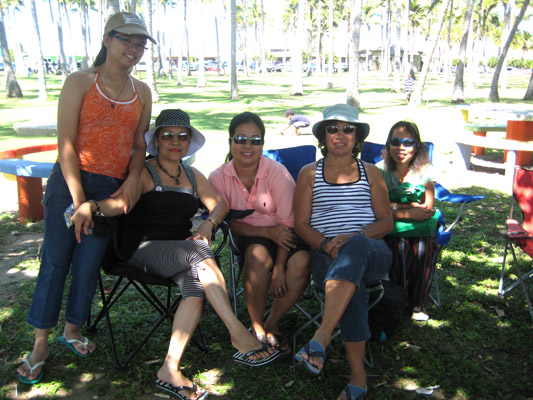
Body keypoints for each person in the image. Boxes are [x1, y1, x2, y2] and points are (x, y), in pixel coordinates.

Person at [70, 109, 280, 399]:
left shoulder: (192, 176)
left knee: (195, 284)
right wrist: (91, 207)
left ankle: (169, 368)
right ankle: (237, 332)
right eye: (167, 135)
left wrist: (208, 223)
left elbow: (219, 204)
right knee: (198, 252)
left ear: (189, 142)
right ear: (156, 140)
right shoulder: (145, 172)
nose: (175, 141)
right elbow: (119, 203)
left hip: (181, 253)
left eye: (183, 136)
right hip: (140, 250)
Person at [16, 12, 154, 385]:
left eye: (141, 43)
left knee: (89, 263)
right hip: (70, 182)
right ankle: (40, 343)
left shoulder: (142, 92)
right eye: (127, 39)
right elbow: (67, 145)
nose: (134, 48)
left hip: (110, 188)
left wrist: (131, 180)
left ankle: (72, 329)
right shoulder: (80, 82)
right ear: (107, 39)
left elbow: (139, 145)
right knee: (56, 262)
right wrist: (78, 200)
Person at [293, 104, 393, 400]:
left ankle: (321, 336)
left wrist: (352, 238)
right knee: (355, 289)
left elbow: (386, 221)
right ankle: (358, 379)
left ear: (357, 136)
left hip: (372, 251)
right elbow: (300, 224)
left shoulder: (371, 172)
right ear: (323, 135)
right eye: (333, 128)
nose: (340, 134)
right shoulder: (308, 173)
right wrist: (324, 244)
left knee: (358, 245)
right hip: (326, 254)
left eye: (348, 128)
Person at [209, 111, 310, 357]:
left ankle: (272, 323)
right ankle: (257, 328)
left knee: (302, 262)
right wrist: (266, 232)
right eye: (241, 138)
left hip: (286, 233)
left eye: (256, 140)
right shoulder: (218, 177)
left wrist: (278, 271)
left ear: (263, 144)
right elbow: (228, 223)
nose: (248, 145)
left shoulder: (277, 173)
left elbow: (288, 223)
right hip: (250, 235)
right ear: (230, 140)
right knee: (255, 255)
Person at [377, 120, 437, 321]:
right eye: (395, 141)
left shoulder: (424, 170)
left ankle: (416, 304)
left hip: (420, 228)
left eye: (408, 142)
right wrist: (408, 210)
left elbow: (427, 206)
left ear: (417, 146)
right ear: (388, 145)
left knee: (423, 247)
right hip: (390, 230)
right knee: (400, 246)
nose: (401, 147)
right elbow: (377, 209)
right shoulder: (379, 171)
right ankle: (398, 300)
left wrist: (394, 206)